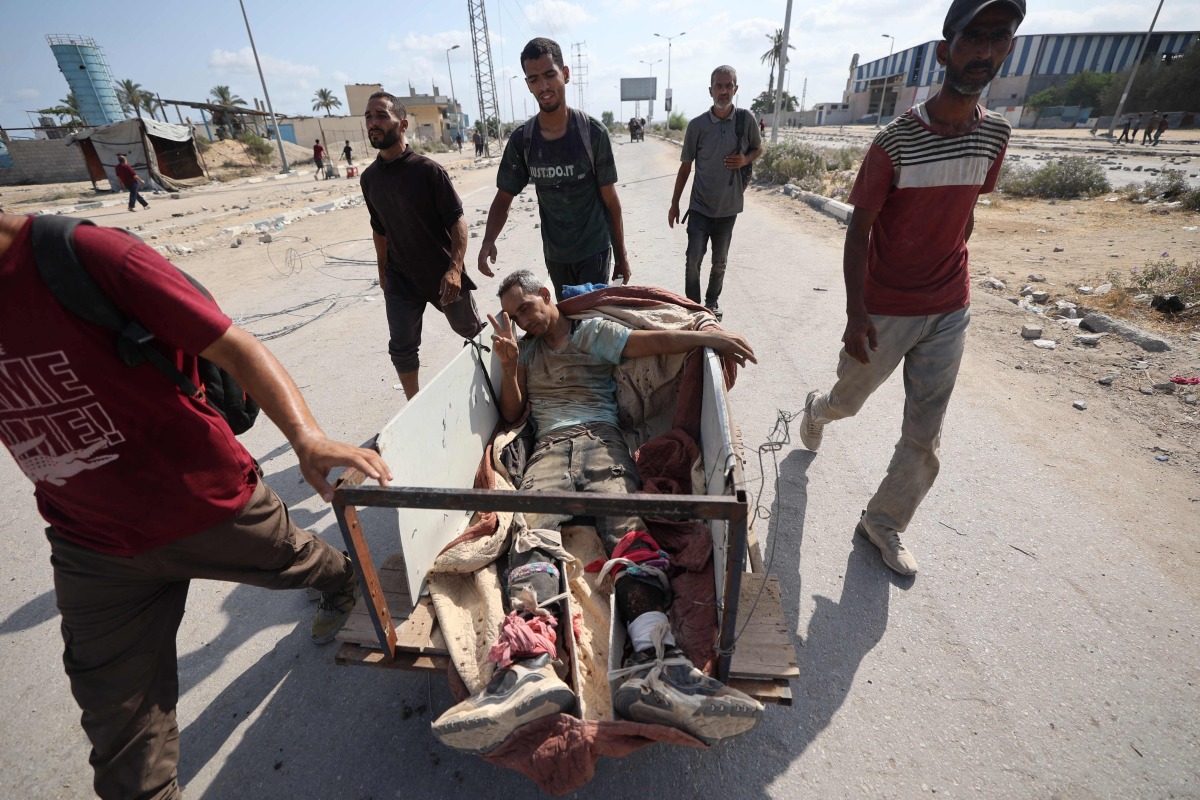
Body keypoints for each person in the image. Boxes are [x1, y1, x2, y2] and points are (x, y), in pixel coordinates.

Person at [0, 211, 393, 799]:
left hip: (208, 507)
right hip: (91, 544)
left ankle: (342, 580)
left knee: (303, 560)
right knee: (125, 753)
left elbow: (234, 346)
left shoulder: (84, 256)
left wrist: (306, 437)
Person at [431, 269, 763, 753]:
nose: (522, 320)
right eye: (512, 315)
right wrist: (508, 366)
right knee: (529, 536)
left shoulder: (593, 334)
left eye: (525, 308)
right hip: (547, 450)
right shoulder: (523, 351)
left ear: (547, 295)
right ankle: (530, 670)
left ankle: (657, 660)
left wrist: (712, 334)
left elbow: (648, 343)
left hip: (602, 442)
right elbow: (512, 412)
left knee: (628, 531)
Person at [798, 0, 1023, 577]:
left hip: (950, 306)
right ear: (946, 50)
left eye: (999, 38)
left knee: (925, 431)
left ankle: (885, 521)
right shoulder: (894, 142)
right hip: (886, 309)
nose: (985, 51)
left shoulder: (995, 136)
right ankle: (819, 411)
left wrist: (948, 266)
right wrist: (856, 314)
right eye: (974, 38)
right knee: (850, 400)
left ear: (1009, 50)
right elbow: (859, 232)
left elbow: (965, 212)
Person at [477, 37, 632, 301]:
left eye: (550, 74)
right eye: (534, 79)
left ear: (565, 74)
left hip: (594, 248)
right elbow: (504, 198)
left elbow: (611, 201)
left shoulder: (592, 133)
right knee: (565, 321)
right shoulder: (522, 140)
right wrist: (487, 241)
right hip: (556, 254)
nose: (544, 85)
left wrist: (621, 255)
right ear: (528, 84)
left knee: (589, 321)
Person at [360, 91, 485, 399]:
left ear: (402, 124)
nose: (372, 123)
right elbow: (379, 229)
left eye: (380, 116)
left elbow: (458, 222)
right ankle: (413, 406)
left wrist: (454, 269)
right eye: (368, 117)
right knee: (401, 347)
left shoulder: (427, 171)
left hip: (441, 274)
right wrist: (382, 269)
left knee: (472, 330)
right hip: (400, 278)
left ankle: (496, 384)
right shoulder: (369, 178)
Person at [668, 66, 763, 321]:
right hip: (700, 207)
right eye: (718, 86)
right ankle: (692, 306)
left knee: (719, 261)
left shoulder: (746, 120)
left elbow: (758, 148)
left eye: (728, 85)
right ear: (710, 90)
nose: (723, 91)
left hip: (729, 208)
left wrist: (745, 159)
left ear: (736, 88)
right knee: (693, 258)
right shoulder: (697, 126)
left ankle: (711, 303)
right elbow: (686, 166)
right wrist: (675, 203)